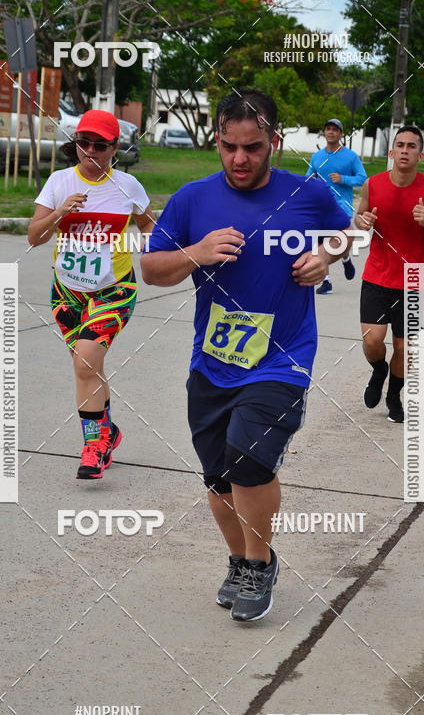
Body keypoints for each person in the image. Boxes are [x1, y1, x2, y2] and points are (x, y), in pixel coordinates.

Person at [140, 90, 352, 622]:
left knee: (249, 457)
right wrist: (195, 253)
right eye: (229, 147)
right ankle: (240, 558)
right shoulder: (192, 198)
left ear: (273, 143)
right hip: (212, 360)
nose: (240, 159)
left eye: (253, 148)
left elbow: (349, 233)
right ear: (217, 140)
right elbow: (151, 269)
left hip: (283, 358)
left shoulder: (307, 193)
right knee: (217, 477)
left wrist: (324, 256)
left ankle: (259, 563)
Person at [28, 109, 153, 479]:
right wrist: (60, 213)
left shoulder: (127, 187)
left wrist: (159, 250)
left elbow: (148, 225)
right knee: (88, 367)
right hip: (67, 293)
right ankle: (107, 432)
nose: (91, 151)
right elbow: (34, 237)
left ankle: (93, 446)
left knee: (85, 361)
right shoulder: (59, 182)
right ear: (75, 144)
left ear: (115, 148)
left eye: (100, 145)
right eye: (84, 143)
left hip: (114, 290)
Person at [355, 125, 424, 423]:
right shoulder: (373, 184)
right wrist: (363, 220)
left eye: (412, 146)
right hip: (377, 275)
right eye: (400, 145)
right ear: (391, 152)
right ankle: (379, 370)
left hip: (413, 279)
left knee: (404, 347)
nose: (405, 150)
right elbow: (358, 217)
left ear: (420, 154)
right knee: (373, 341)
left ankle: (394, 395)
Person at [306, 118, 367, 294]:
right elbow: (309, 176)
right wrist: (310, 181)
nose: (331, 132)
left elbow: (362, 178)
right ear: (324, 133)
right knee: (320, 242)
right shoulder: (317, 156)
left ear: (341, 134)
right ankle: (326, 281)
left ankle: (346, 258)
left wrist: (343, 179)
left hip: (342, 206)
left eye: (335, 129)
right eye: (328, 129)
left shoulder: (350, 156)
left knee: (339, 242)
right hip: (320, 206)